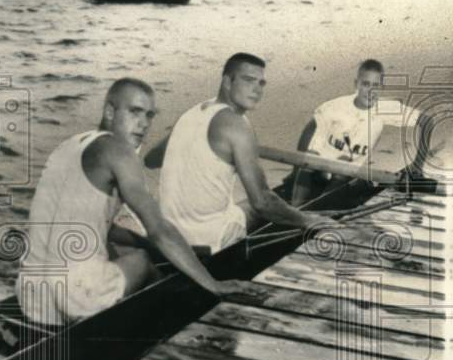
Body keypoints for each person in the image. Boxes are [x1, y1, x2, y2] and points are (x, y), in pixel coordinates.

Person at [16, 78, 249, 327]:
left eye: (149, 116)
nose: (143, 125)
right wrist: (212, 283)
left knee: (126, 250)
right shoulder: (120, 152)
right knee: (142, 262)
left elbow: (96, 227)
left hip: (30, 296)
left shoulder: (68, 147)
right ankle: (160, 330)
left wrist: (149, 244)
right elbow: (159, 229)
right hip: (74, 298)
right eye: (135, 112)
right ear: (109, 111)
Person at [155, 53, 336, 252]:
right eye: (248, 80)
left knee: (242, 206)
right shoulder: (237, 125)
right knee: (258, 207)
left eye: (261, 83)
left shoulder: (193, 112)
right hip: (207, 240)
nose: (257, 90)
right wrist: (307, 220)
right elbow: (262, 202)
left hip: (167, 233)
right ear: (227, 81)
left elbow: (152, 159)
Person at [290, 59, 431, 203]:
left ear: (382, 87)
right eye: (365, 84)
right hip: (320, 167)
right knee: (310, 159)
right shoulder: (335, 106)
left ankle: (318, 207)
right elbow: (312, 126)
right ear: (356, 84)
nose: (370, 91)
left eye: (375, 85)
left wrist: (418, 164)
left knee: (343, 162)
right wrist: (295, 168)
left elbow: (427, 122)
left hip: (345, 172)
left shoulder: (386, 109)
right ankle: (295, 208)